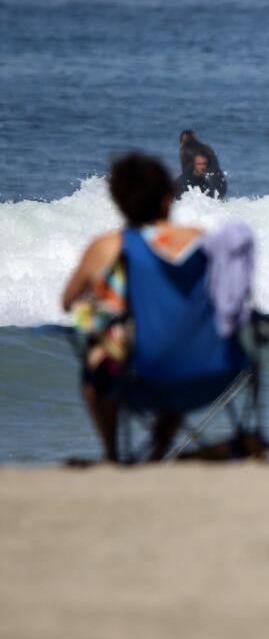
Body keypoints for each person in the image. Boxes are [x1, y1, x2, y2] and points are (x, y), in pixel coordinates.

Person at [61, 154, 205, 461]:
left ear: (118, 201)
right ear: (168, 197)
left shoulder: (105, 246)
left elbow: (67, 301)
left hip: (123, 371)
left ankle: (111, 452)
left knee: (100, 356)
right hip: (193, 367)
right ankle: (158, 450)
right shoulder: (198, 241)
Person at [178, 129, 227, 198]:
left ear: (182, 141)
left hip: (206, 186)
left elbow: (186, 174)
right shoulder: (207, 148)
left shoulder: (184, 149)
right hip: (221, 185)